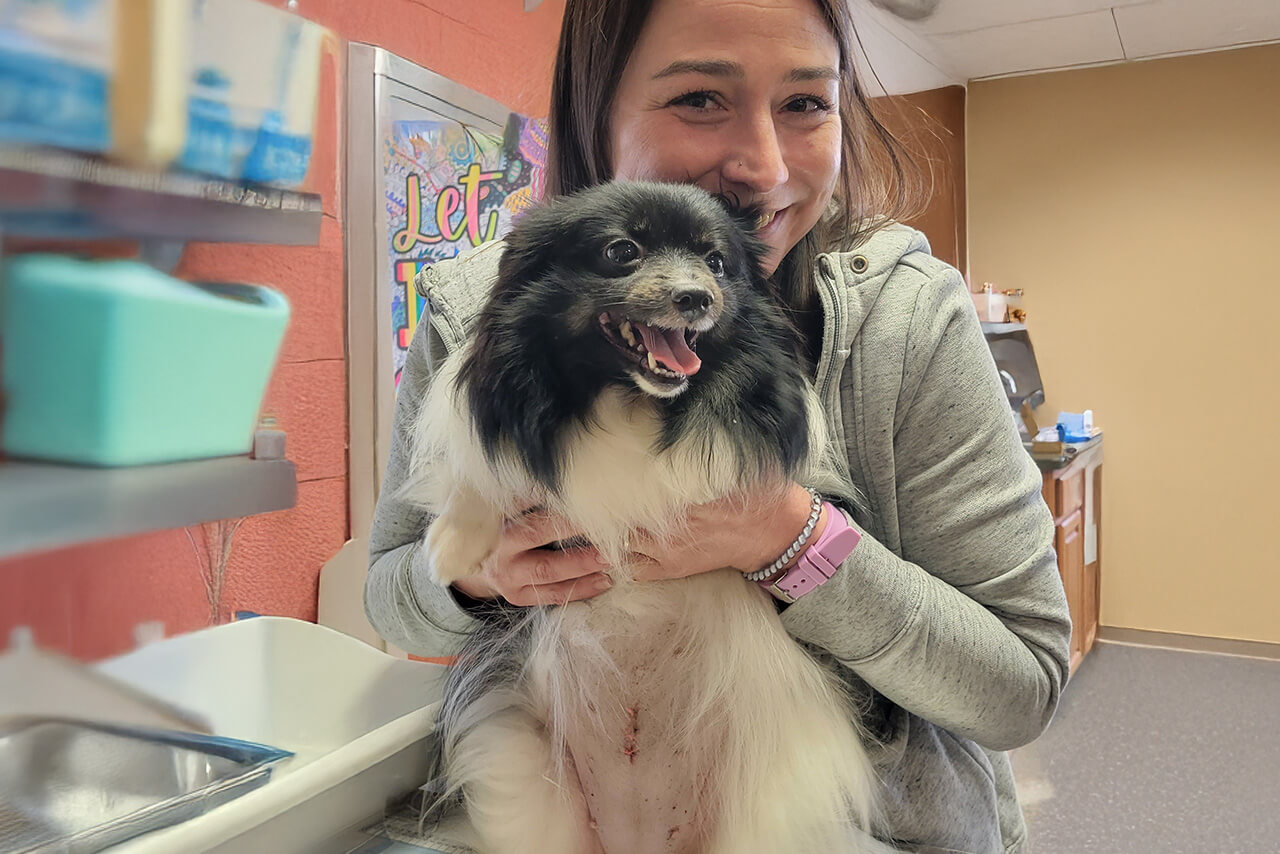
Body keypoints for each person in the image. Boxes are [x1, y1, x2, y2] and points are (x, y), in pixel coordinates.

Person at [365, 0, 1072, 851]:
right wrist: (476, 580)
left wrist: (793, 541)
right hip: (556, 796)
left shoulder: (909, 317)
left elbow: (1019, 688)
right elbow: (392, 592)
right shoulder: (477, 306)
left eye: (807, 104)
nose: (766, 169)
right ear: (596, 112)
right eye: (700, 98)